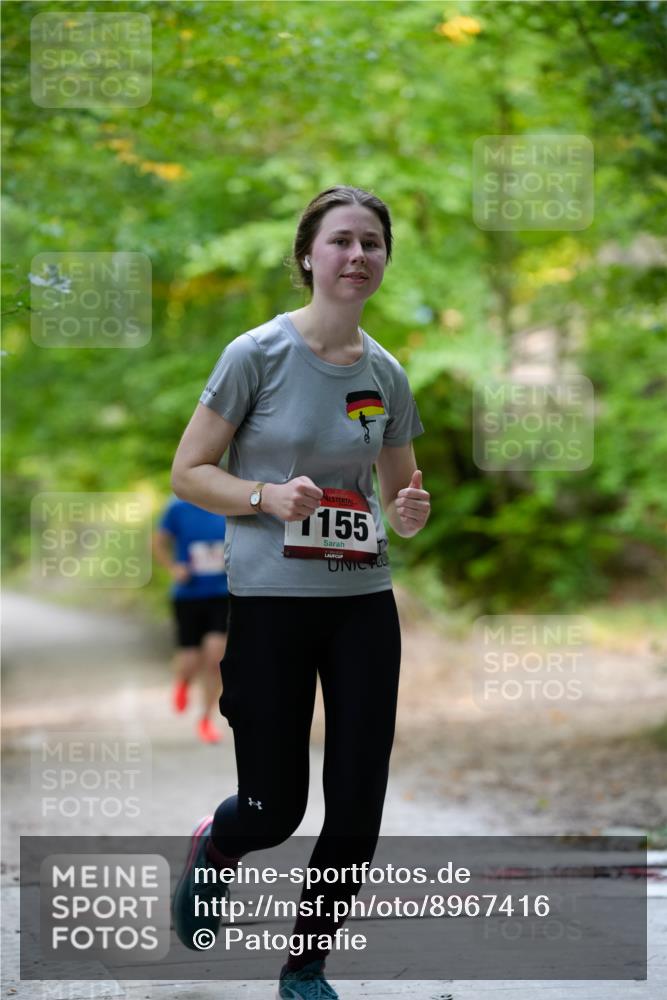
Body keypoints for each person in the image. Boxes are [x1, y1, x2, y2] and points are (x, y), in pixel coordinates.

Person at [170, 186, 430, 999]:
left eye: (372, 244)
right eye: (342, 241)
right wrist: (264, 498)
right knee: (274, 808)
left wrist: (411, 510)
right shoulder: (256, 354)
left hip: (361, 605)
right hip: (271, 604)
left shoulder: (386, 373)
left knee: (356, 808)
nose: (358, 256)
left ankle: (305, 964)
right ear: (308, 255)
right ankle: (220, 841)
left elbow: (399, 497)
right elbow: (188, 473)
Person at [153, 496, 229, 744]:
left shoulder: (227, 502)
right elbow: (157, 542)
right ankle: (183, 681)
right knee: (190, 660)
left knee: (217, 657)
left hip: (222, 593)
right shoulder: (177, 507)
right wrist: (174, 568)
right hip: (188, 595)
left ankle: (206, 719)